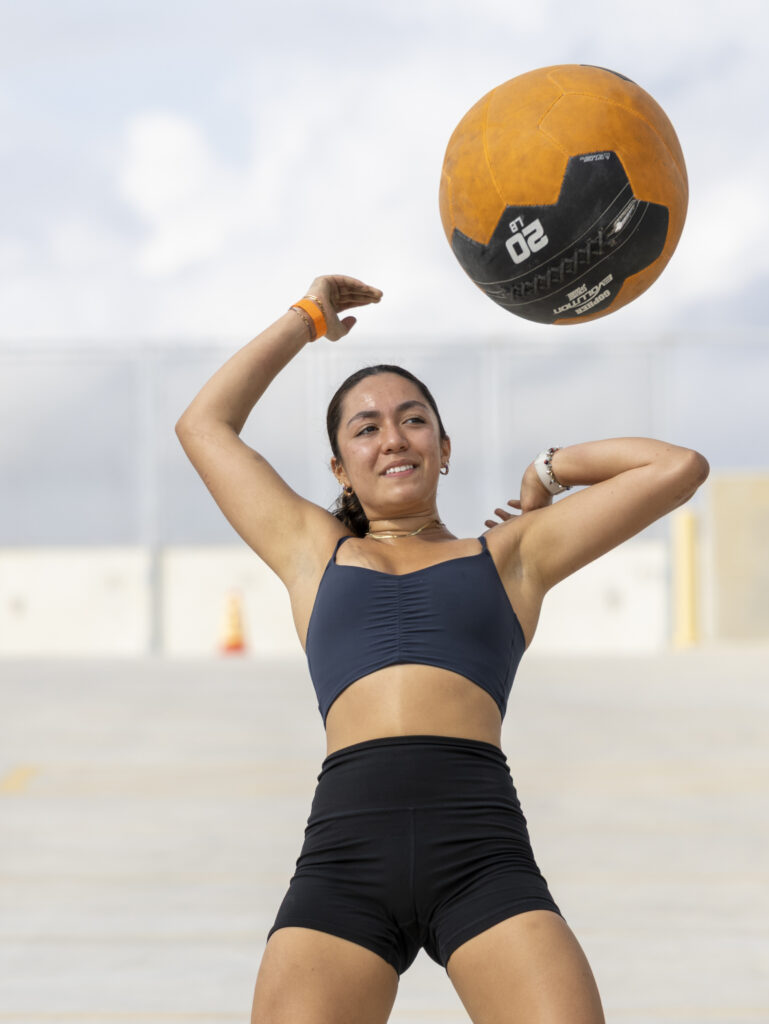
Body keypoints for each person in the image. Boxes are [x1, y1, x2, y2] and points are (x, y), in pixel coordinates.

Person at [176, 274, 709, 1024]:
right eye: (365, 428)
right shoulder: (309, 551)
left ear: (444, 447)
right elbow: (203, 425)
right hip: (345, 858)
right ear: (340, 471)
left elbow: (676, 468)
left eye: (413, 420)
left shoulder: (512, 554)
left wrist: (547, 470)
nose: (392, 437)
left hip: (480, 852)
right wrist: (308, 320)